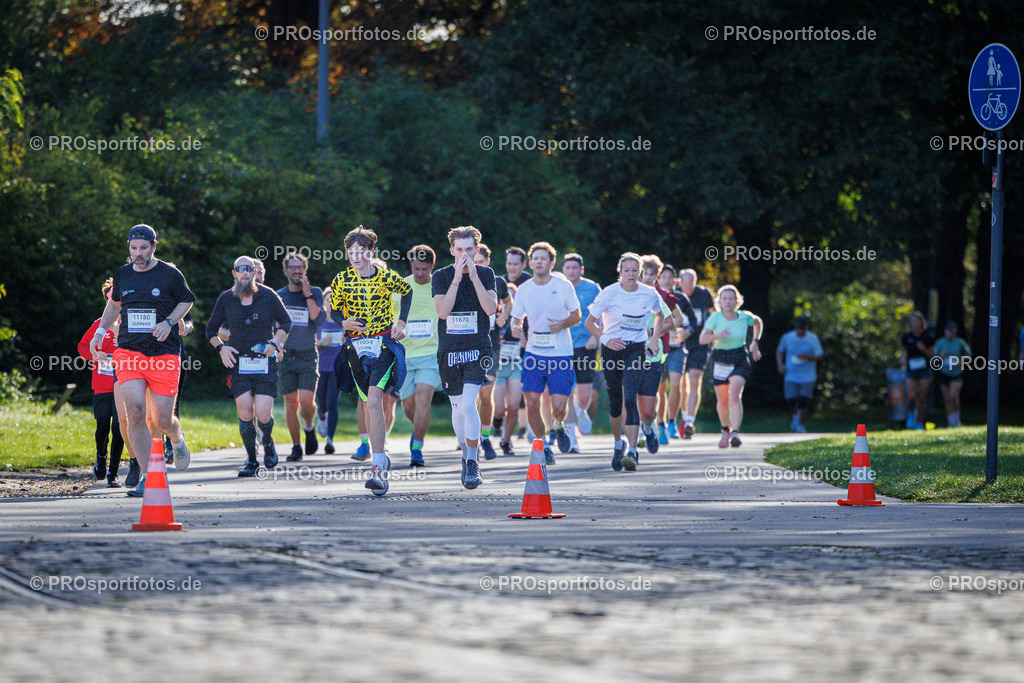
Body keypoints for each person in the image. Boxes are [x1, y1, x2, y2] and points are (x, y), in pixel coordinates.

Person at [89, 224, 195, 497]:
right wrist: (100, 332)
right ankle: (149, 475)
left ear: (154, 247)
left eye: (144, 248)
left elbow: (187, 301)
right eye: (133, 248)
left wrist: (170, 322)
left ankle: (176, 437)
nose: (138, 253)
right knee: (134, 413)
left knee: (160, 419)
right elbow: (114, 305)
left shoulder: (170, 274)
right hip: (129, 352)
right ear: (128, 247)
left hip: (163, 354)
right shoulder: (122, 274)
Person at [329, 226, 412, 496]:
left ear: (371, 252)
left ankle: (377, 468)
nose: (355, 257)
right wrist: (342, 322)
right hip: (356, 347)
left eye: (361, 252)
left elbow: (407, 291)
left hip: (384, 343)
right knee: (367, 405)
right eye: (351, 253)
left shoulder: (385, 276)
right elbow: (333, 310)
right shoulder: (341, 279)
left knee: (375, 400)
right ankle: (381, 456)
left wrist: (401, 322)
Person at [206, 256, 292, 476]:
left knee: (263, 414)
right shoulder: (226, 298)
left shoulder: (268, 295)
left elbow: (286, 322)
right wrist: (221, 349)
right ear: (234, 274)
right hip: (238, 362)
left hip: (264, 362)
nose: (244, 273)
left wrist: (275, 343)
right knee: (245, 410)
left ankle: (268, 441)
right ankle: (251, 460)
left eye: (249, 269)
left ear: (254, 272)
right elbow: (210, 330)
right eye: (240, 270)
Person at [585, 253, 663, 471]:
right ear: (620, 272)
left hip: (636, 348)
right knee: (616, 401)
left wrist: (654, 339)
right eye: (626, 270)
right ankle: (618, 443)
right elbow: (589, 322)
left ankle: (632, 450)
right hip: (611, 350)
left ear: (640, 272)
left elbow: (660, 315)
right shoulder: (609, 294)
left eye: (634, 270)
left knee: (630, 397)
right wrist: (606, 339)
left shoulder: (649, 293)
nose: (631, 274)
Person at [433, 226, 497, 488]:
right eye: (459, 250)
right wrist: (457, 279)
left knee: (470, 405)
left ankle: (472, 460)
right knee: (458, 408)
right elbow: (443, 312)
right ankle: (465, 453)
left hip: (478, 349)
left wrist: (474, 279)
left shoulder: (486, 274)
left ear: (476, 250)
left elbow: (491, 308)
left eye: (469, 249)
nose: (464, 254)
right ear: (452, 251)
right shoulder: (441, 276)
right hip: (449, 351)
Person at [510, 242, 582, 464]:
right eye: (536, 258)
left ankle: (558, 426)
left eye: (544, 258)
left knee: (559, 407)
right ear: (530, 263)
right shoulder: (524, 290)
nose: (539, 262)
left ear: (551, 263)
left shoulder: (563, 286)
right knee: (531, 402)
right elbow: (516, 318)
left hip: (560, 355)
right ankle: (542, 444)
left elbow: (577, 314)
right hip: (533, 354)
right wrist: (515, 328)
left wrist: (563, 323)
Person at [699, 284, 763, 448]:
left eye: (731, 299)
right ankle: (724, 430)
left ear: (737, 301)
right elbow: (702, 339)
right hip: (720, 357)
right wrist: (717, 335)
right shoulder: (715, 318)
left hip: (739, 356)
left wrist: (755, 342)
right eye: (724, 298)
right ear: (719, 301)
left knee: (734, 394)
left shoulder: (744, 316)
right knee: (723, 399)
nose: (727, 302)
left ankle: (735, 432)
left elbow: (758, 322)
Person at [276, 251, 326, 461]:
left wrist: (307, 294)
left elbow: (318, 319)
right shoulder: (279, 295)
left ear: (305, 269)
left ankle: (309, 426)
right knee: (290, 402)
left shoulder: (314, 292)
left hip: (307, 354)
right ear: (286, 271)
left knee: (306, 401)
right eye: (293, 268)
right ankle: (296, 446)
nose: (297, 271)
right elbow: (275, 324)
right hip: (287, 356)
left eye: (300, 267)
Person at [396, 245, 443, 466]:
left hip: (431, 353)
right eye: (416, 268)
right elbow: (389, 318)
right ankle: (419, 429)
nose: (420, 273)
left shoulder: (440, 286)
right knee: (409, 407)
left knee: (424, 394)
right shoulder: (401, 287)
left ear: (432, 266)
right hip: (405, 356)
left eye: (424, 269)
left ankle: (417, 448)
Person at [77, 279, 124, 487]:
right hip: (102, 384)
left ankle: (114, 472)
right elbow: (82, 347)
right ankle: (101, 456)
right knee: (102, 426)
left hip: (124, 384)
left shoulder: (131, 327)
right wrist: (94, 355)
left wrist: (121, 344)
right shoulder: (99, 325)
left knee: (120, 427)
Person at [471, 243, 511, 460]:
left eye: (481, 262)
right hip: (468, 344)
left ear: (487, 262)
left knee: (485, 393)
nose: (477, 266)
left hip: (491, 344)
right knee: (471, 395)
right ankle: (471, 438)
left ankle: (485, 437)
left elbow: (508, 301)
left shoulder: (497, 281)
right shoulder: (462, 280)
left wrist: (504, 315)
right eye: (474, 262)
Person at [636, 256, 678, 453]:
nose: (647, 278)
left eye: (651, 275)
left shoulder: (662, 295)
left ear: (657, 276)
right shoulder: (629, 293)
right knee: (632, 393)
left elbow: (676, 319)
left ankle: (657, 423)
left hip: (658, 348)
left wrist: (655, 332)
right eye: (644, 274)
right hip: (633, 351)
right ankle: (637, 432)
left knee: (656, 391)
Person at [563, 253, 601, 439]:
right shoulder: (558, 287)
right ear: (563, 269)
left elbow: (604, 313)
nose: (571, 271)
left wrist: (595, 336)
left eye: (574, 268)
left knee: (585, 397)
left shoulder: (592, 288)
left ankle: (580, 409)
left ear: (581, 270)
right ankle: (570, 434)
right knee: (567, 390)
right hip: (564, 346)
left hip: (586, 345)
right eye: (568, 268)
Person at [677, 269, 717, 439]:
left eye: (692, 283)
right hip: (680, 341)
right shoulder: (675, 295)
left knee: (694, 380)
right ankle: (684, 417)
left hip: (700, 343)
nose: (689, 288)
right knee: (681, 384)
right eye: (686, 284)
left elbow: (716, 312)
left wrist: (714, 334)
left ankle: (689, 421)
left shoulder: (704, 294)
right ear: (680, 283)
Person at [658, 264, 693, 440]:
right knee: (660, 388)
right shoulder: (653, 296)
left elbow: (695, 321)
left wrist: (685, 333)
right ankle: (661, 423)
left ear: (675, 280)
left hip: (678, 349)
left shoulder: (681, 298)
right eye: (663, 277)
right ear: (658, 279)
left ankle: (672, 421)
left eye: (670, 277)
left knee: (676, 384)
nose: (667, 280)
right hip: (659, 348)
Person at [775, 316, 823, 433]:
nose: (800, 331)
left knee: (804, 400)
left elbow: (819, 355)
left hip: (807, 375)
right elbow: (780, 352)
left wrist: (807, 357)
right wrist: (780, 365)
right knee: (791, 399)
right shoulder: (787, 337)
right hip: (791, 374)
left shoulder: (812, 338)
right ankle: (795, 418)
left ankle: (800, 424)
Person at [493, 281, 524, 455]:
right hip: (498, 366)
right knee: (498, 409)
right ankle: (497, 422)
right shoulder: (495, 317)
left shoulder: (522, 317)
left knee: (513, 407)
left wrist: (524, 340)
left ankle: (506, 441)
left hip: (515, 365)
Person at [901, 311, 935, 430]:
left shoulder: (927, 337)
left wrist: (924, 349)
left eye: (917, 320)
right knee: (911, 396)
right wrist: (903, 360)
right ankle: (911, 414)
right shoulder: (906, 337)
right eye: (912, 321)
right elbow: (903, 352)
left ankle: (920, 421)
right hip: (911, 370)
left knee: (922, 397)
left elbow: (932, 355)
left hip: (924, 370)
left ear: (921, 322)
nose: (914, 323)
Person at [933, 321, 971, 427]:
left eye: (952, 332)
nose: (950, 334)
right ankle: (950, 421)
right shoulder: (940, 343)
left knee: (953, 396)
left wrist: (961, 361)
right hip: (943, 373)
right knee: (947, 398)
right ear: (945, 332)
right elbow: (933, 359)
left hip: (956, 373)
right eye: (948, 331)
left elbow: (968, 356)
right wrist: (940, 357)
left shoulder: (960, 342)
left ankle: (956, 419)